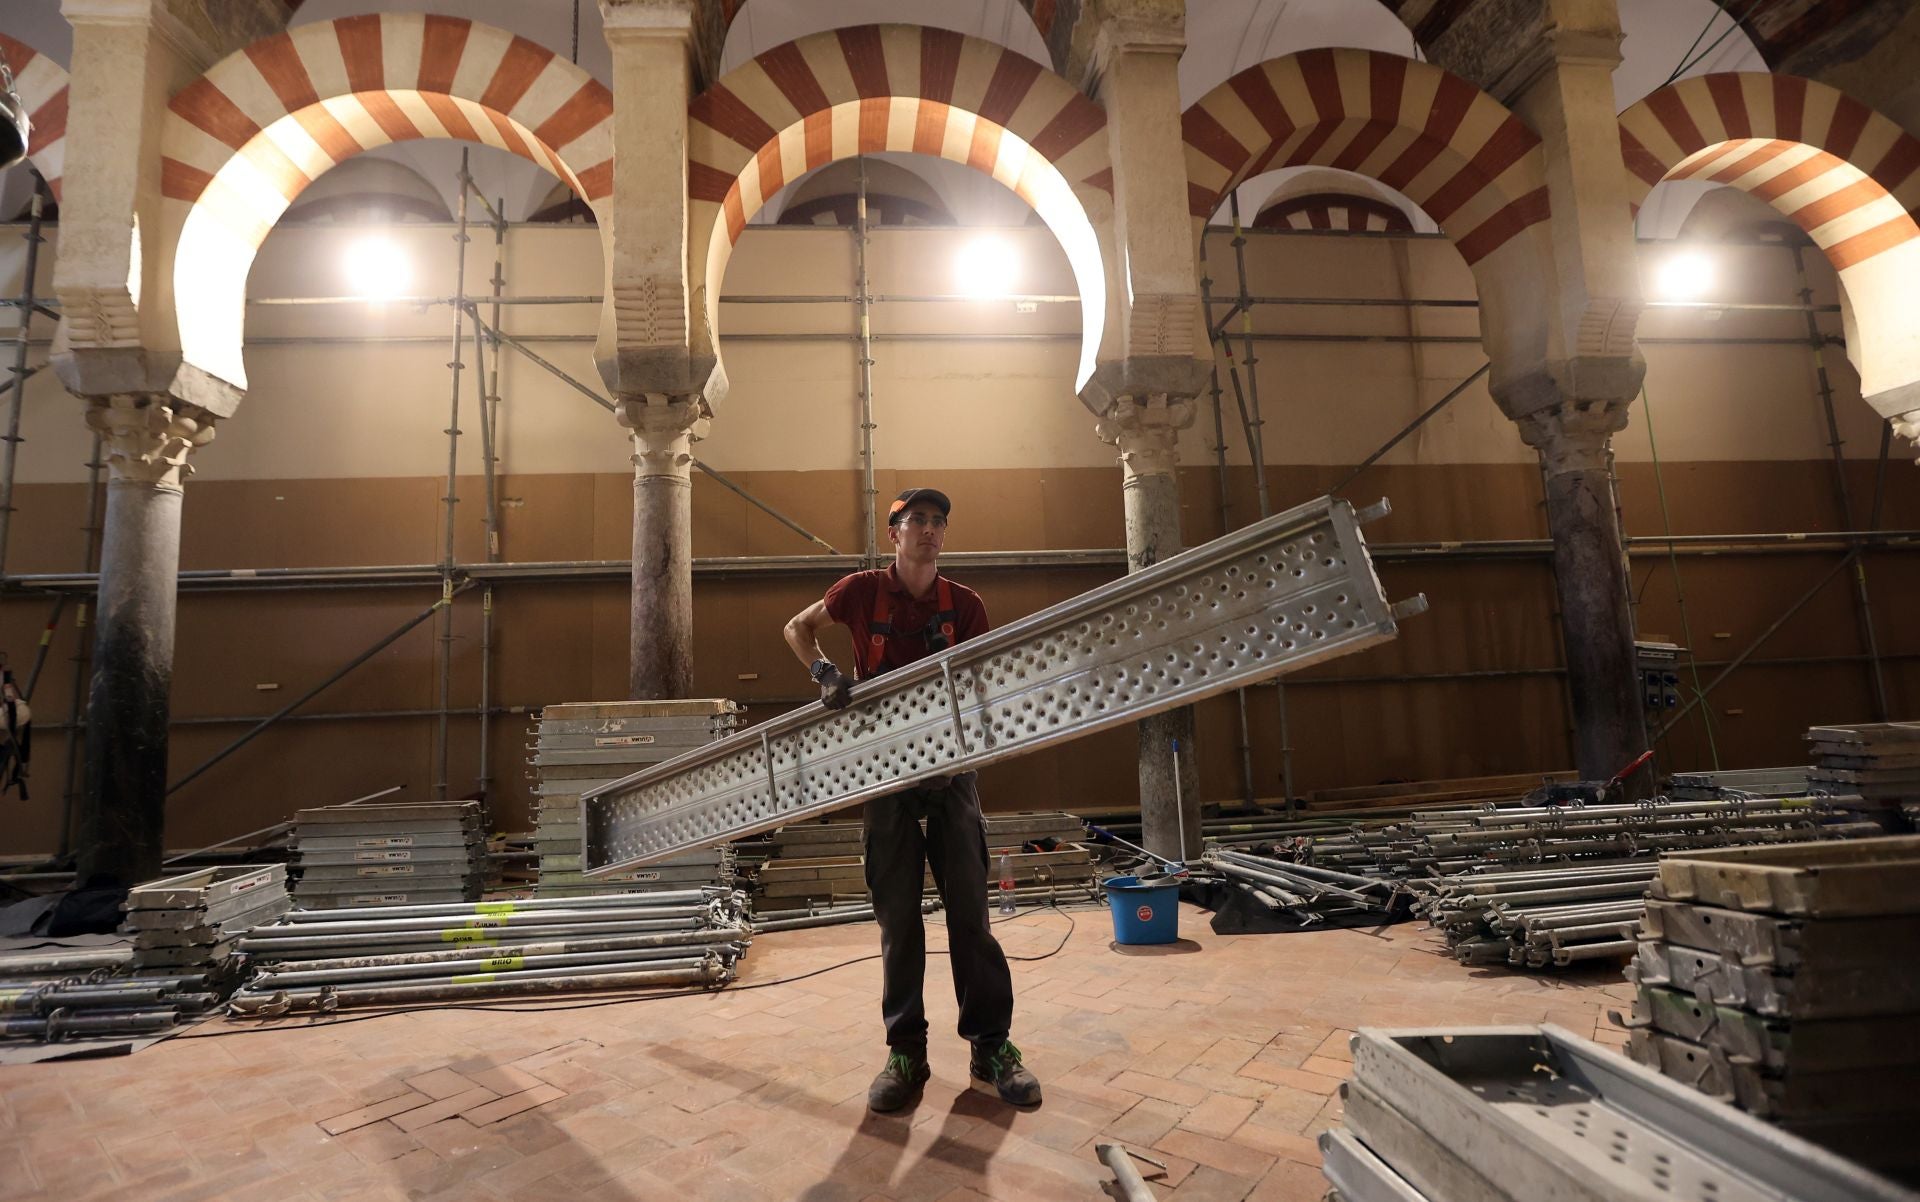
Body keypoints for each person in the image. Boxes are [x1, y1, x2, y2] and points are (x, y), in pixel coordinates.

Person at [783, 487, 1041, 1114]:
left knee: (970, 918)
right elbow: (798, 628)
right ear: (894, 531)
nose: (928, 530)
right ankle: (906, 1053)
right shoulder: (860, 592)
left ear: (944, 536)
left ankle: (991, 1045)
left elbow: (985, 684)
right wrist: (823, 674)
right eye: (915, 520)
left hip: (951, 770)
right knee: (899, 920)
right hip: (882, 773)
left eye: (937, 522)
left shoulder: (966, 605)